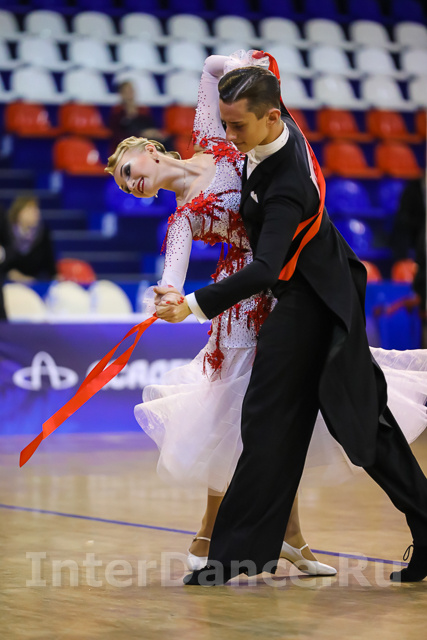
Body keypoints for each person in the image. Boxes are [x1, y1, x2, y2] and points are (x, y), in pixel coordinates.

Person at [154, 60, 427, 586]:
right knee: (290, 422)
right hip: (309, 291)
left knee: (339, 425)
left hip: (318, 301)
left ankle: (235, 555)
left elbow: (265, 269)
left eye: (237, 126)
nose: (228, 136)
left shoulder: (287, 183)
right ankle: (235, 556)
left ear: (272, 117)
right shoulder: (265, 125)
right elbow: (231, 71)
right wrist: (237, 69)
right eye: (225, 123)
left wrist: (192, 305)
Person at [106, 52, 337, 577]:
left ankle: (290, 537)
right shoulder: (183, 218)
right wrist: (168, 296)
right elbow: (173, 273)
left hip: (284, 281)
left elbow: (213, 68)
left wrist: (242, 70)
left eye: (128, 171)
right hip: (242, 303)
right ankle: (211, 532)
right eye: (124, 185)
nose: (129, 183)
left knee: (281, 418)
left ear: (148, 150)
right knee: (235, 422)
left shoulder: (213, 136)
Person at [0, 196, 57, 285]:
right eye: (30, 209)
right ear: (18, 213)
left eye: (36, 209)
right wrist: (11, 274)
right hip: (8, 282)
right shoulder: (6, 231)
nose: (36, 213)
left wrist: (55, 276)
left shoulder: (43, 233)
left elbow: (49, 265)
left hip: (34, 283)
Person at [109, 81, 171, 153]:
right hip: (132, 146)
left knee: (165, 141)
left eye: (131, 90)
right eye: (127, 91)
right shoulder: (117, 115)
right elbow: (118, 136)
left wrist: (155, 133)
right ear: (121, 94)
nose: (130, 93)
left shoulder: (143, 112)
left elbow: (152, 126)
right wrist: (140, 135)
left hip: (148, 142)